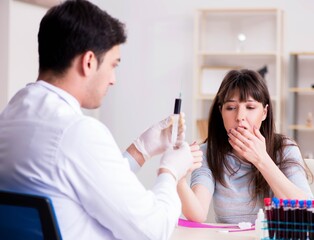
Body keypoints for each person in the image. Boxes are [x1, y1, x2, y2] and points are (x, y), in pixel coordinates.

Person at [0, 1, 203, 239]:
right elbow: (153, 230)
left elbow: (84, 179)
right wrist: (170, 171)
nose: (113, 79)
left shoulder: (13, 114)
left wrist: (141, 150)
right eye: (112, 65)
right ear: (88, 62)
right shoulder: (77, 132)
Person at [177, 69, 313, 224]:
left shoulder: (285, 149)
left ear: (264, 112)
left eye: (250, 107)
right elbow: (197, 215)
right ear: (221, 111)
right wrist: (178, 177)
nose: (240, 117)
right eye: (231, 108)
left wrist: (262, 160)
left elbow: (306, 211)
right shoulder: (208, 152)